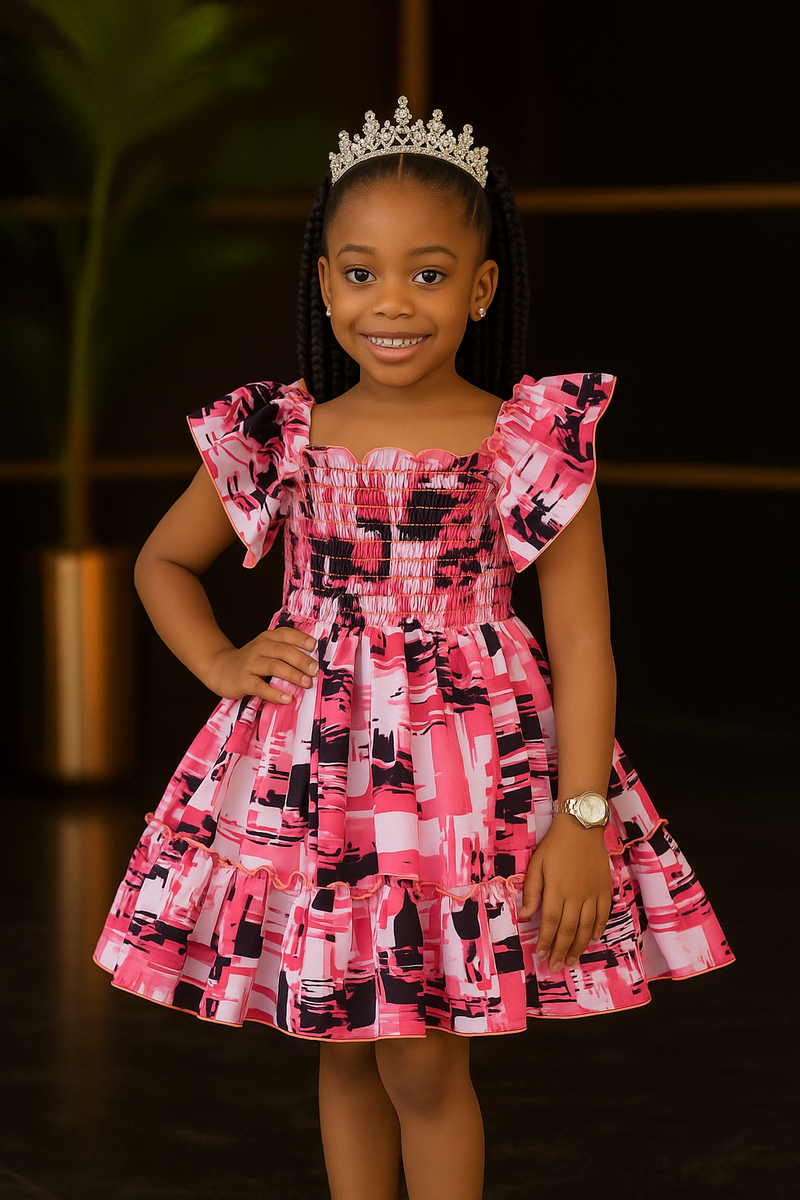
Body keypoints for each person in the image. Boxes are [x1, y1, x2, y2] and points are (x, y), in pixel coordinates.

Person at [95, 98, 733, 1200]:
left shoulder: (526, 440)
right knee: (342, 1043)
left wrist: (582, 821)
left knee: (424, 1060)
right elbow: (161, 562)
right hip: (318, 776)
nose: (390, 302)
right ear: (324, 284)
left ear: (480, 290)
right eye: (360, 273)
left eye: (427, 275)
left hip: (467, 782)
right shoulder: (285, 432)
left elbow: (584, 643)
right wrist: (220, 663)